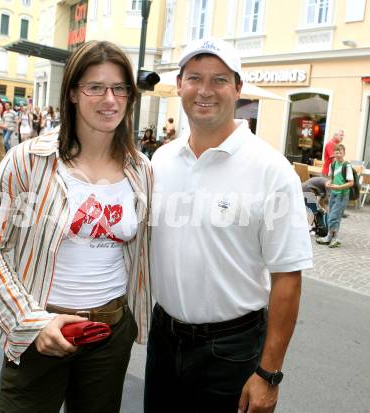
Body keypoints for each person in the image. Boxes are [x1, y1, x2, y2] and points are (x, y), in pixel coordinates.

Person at [0, 40, 152, 413]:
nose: (110, 99)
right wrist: (31, 322)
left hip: (109, 333)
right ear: (71, 93)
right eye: (95, 87)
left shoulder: (142, 169)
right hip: (42, 331)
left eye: (120, 88)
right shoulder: (29, 161)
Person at [145, 37, 313, 413]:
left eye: (219, 79)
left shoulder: (271, 169)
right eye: (194, 78)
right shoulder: (161, 160)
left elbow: (288, 277)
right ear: (180, 86)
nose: (205, 90)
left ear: (238, 89)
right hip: (165, 337)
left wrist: (269, 374)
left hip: (232, 348)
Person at [316, 143, 353, 248]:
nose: (338, 154)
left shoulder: (347, 165)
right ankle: (334, 238)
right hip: (333, 194)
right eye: (336, 152)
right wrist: (328, 183)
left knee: (333, 217)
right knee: (333, 216)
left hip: (342, 194)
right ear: (334, 153)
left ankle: (330, 237)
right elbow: (331, 178)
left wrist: (339, 187)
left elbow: (351, 183)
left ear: (344, 153)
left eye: (340, 152)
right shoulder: (332, 165)